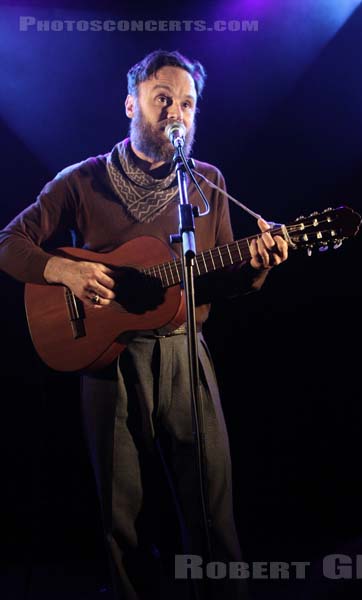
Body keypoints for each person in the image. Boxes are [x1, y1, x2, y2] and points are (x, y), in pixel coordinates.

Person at [0, 50, 289, 599]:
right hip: (110, 361)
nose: (176, 113)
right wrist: (62, 269)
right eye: (164, 100)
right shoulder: (82, 181)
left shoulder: (206, 184)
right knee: (120, 517)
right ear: (131, 104)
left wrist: (256, 269)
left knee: (212, 508)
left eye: (187, 104)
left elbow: (219, 277)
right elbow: (8, 243)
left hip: (185, 352)